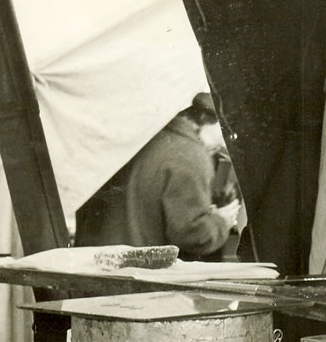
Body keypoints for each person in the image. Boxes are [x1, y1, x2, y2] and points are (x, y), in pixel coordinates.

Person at [75, 92, 240, 260]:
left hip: (94, 260)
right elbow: (192, 235)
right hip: (137, 271)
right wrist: (220, 222)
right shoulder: (192, 154)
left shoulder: (148, 136)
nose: (223, 144)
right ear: (204, 119)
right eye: (224, 132)